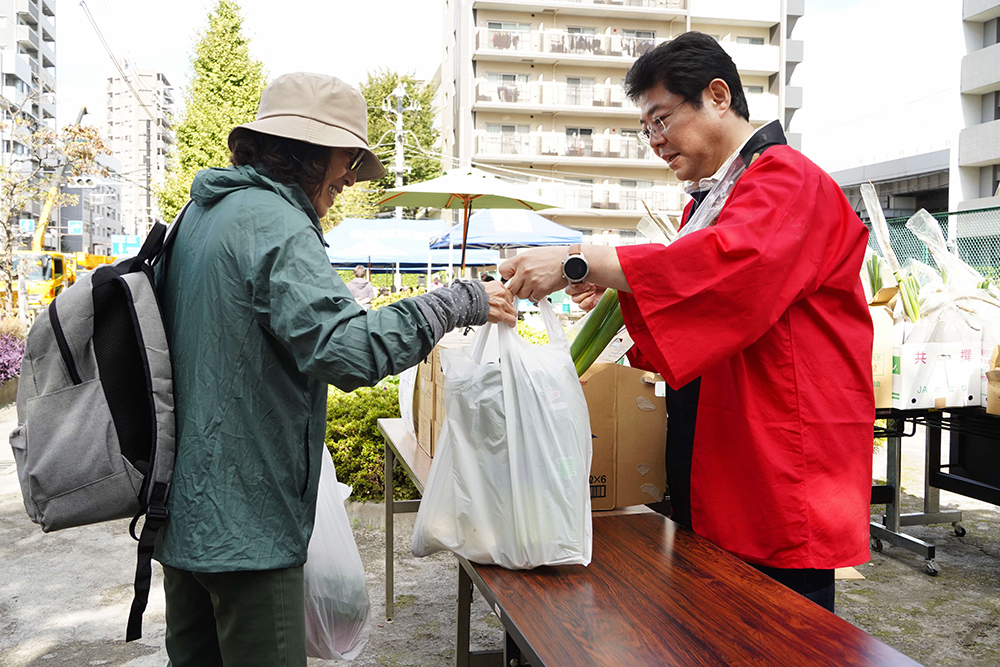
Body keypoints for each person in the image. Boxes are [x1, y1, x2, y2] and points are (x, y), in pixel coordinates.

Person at [499, 32, 874, 612]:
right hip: (726, 439)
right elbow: (699, 296)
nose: (654, 141)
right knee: (717, 618)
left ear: (717, 95)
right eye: (645, 128)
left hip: (779, 450)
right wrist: (618, 287)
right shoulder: (715, 196)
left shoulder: (788, 180)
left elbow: (728, 273)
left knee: (779, 630)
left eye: (661, 119)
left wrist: (585, 258)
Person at [154, 72, 516, 667]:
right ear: (309, 153)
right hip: (249, 526)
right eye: (347, 159)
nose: (350, 178)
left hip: (185, 516)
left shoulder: (202, 213)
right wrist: (458, 301)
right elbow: (348, 351)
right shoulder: (274, 222)